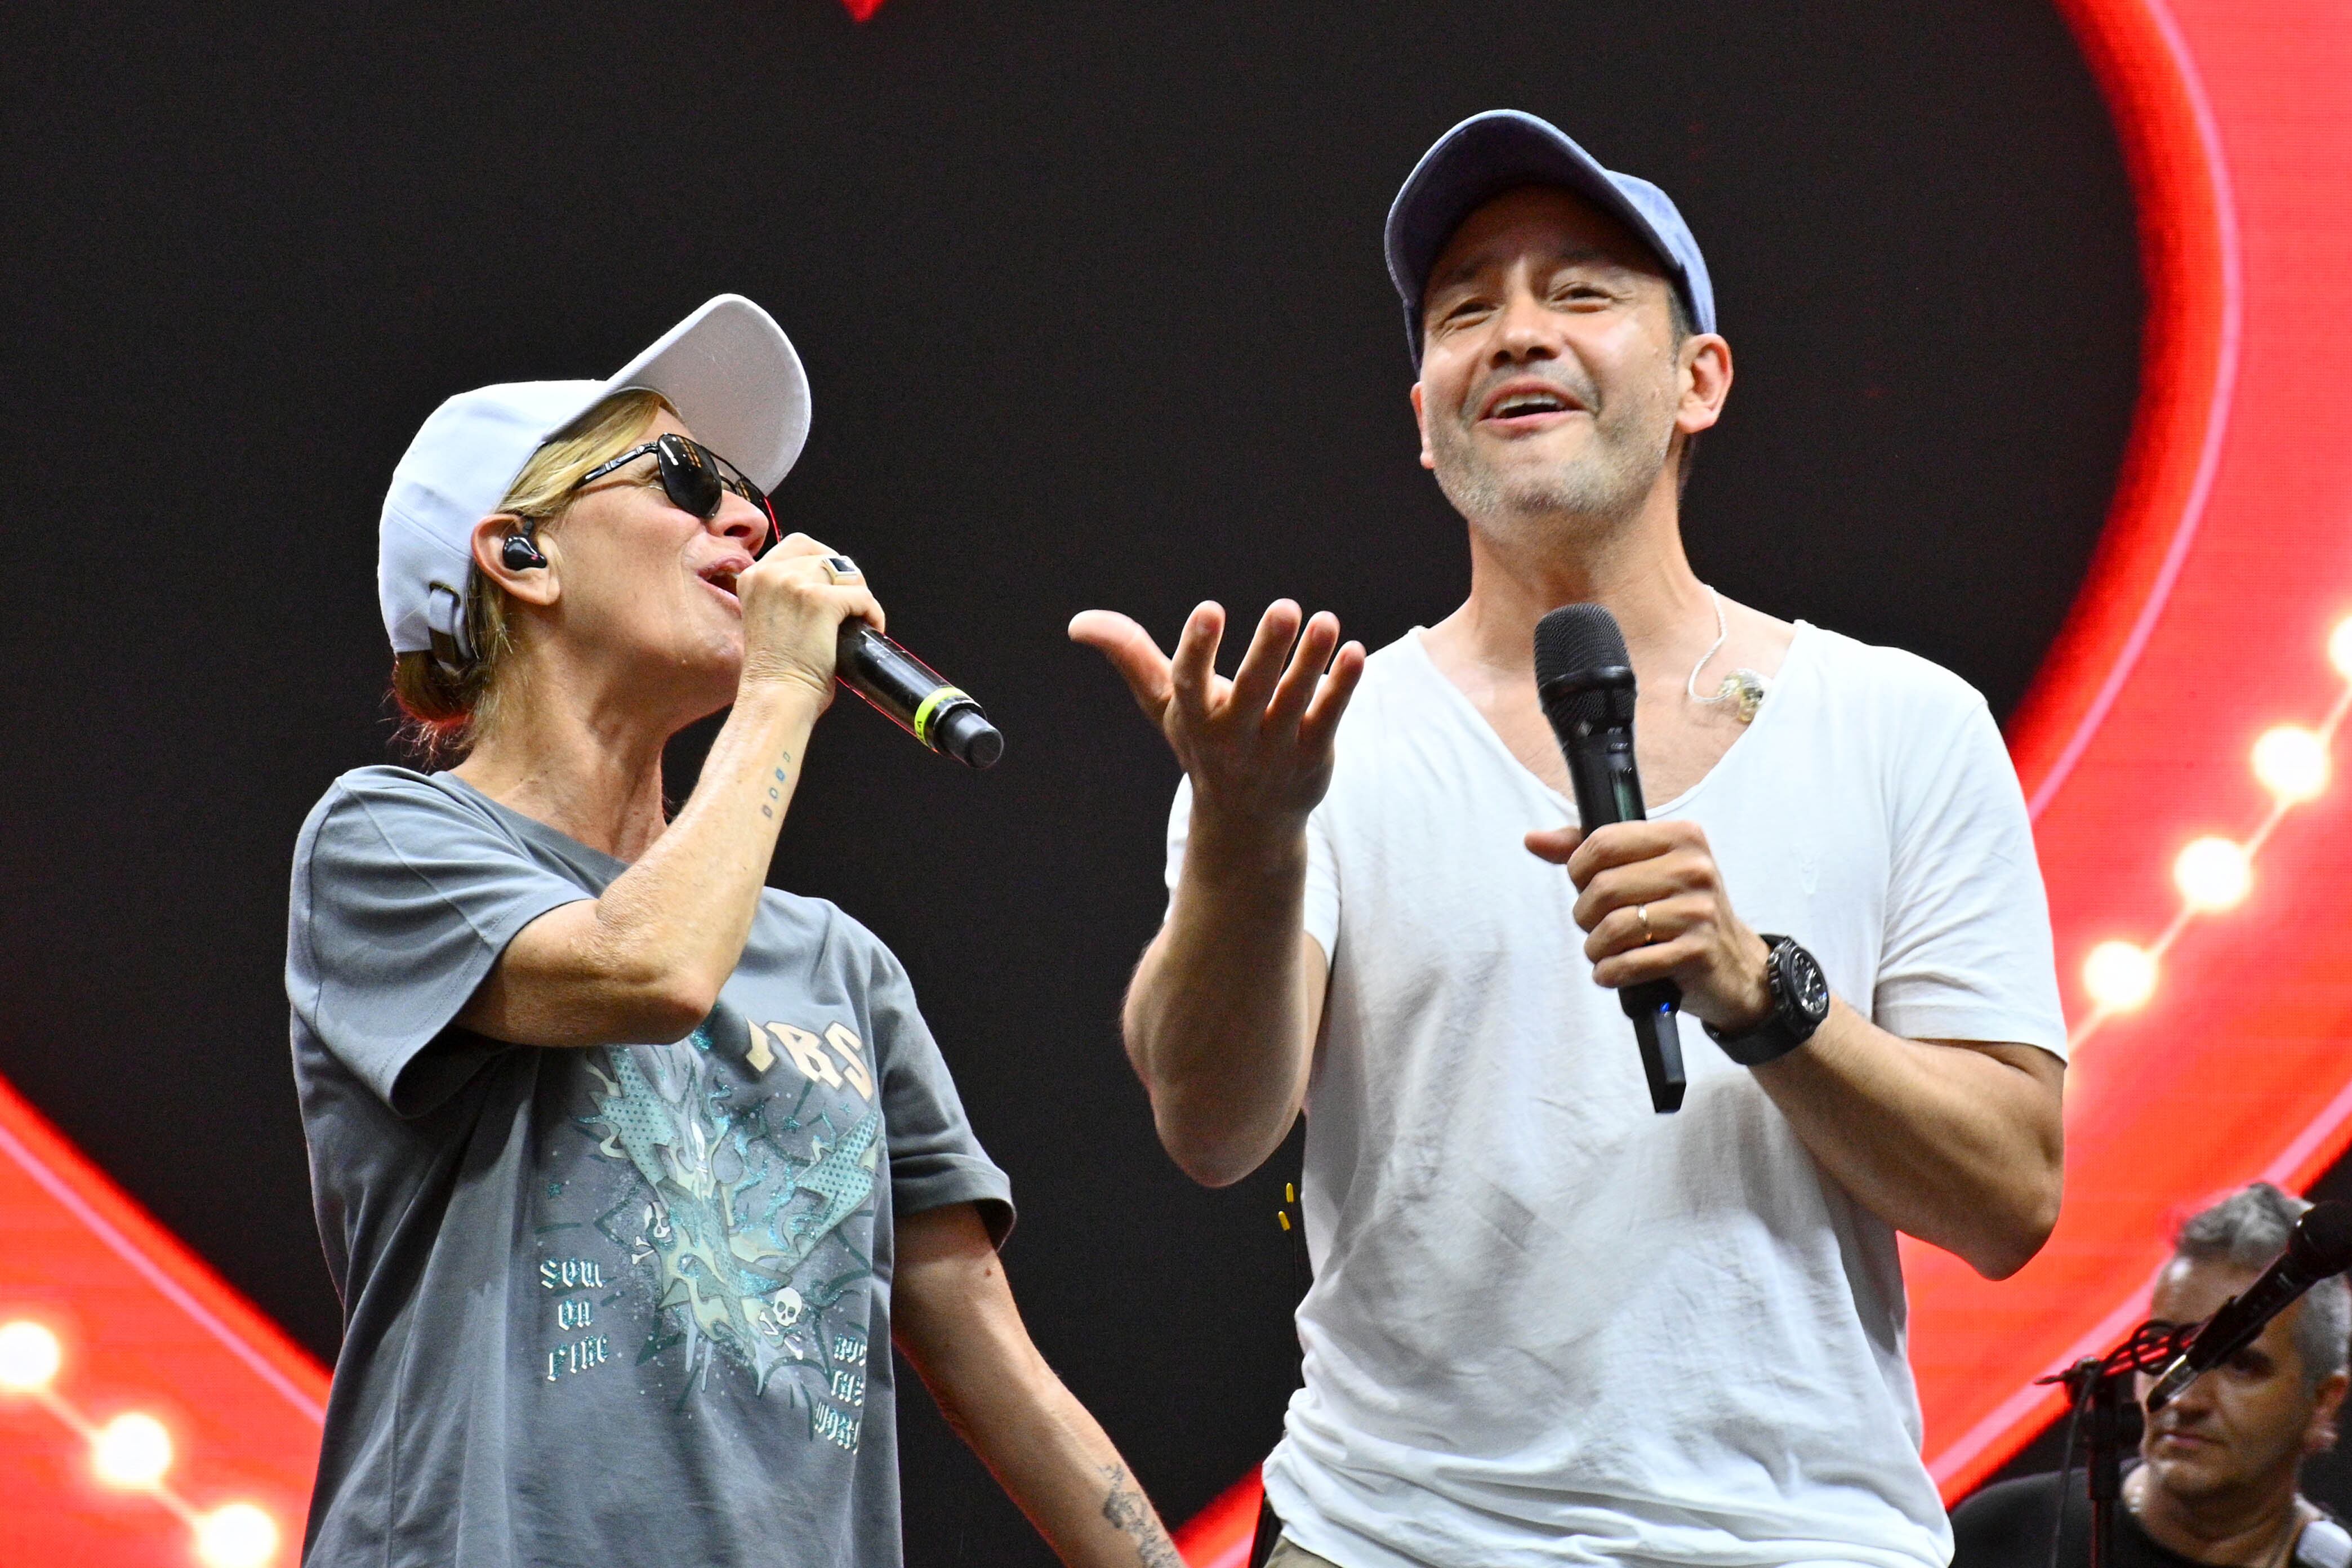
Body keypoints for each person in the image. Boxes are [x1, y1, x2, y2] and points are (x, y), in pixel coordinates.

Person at [1071, 110, 2069, 1568]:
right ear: (1423, 416)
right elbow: (1215, 1129)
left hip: (1801, 1542)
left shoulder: (1905, 724)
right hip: (1397, 1541)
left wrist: (1761, 991)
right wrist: (1244, 836)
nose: (1519, 332)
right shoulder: (1307, 740)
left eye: (1583, 293)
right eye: (1467, 309)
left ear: (1700, 382)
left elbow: (2010, 1198)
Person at [289, 295, 1181, 1567]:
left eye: (747, 491)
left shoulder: (836, 963)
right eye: (683, 478)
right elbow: (643, 968)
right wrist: (779, 686)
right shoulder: (386, 841)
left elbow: (987, 1350)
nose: (752, 520)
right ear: (521, 557)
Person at [1953, 1184, 2352, 1568]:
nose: (2185, 1398)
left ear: (2324, 1401)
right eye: (2165, 1351)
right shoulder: (2002, 1532)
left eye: (2240, 1366)